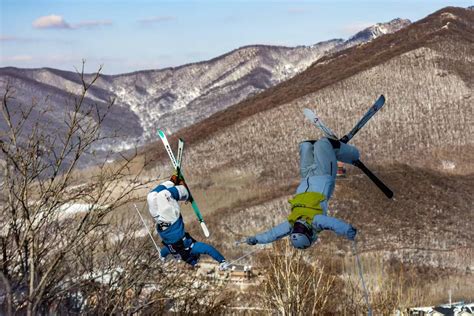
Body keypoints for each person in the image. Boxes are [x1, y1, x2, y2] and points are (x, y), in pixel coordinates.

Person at [246, 138, 358, 249]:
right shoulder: (316, 221)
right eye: (301, 229)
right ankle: (353, 155)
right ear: (309, 231)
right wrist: (348, 230)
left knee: (306, 145)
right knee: (322, 143)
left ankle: (330, 149)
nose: (299, 224)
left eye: (296, 228)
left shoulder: (292, 222)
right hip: (324, 174)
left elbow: (273, 234)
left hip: (306, 177)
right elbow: (333, 224)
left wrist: (256, 239)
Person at [147, 174, 229, 270]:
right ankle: (184, 192)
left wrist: (161, 256)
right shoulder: (191, 248)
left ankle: (172, 182)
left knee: (151, 197)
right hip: (172, 221)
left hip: (160, 222)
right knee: (163, 195)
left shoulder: (176, 254)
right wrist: (222, 261)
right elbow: (208, 249)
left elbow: (164, 251)